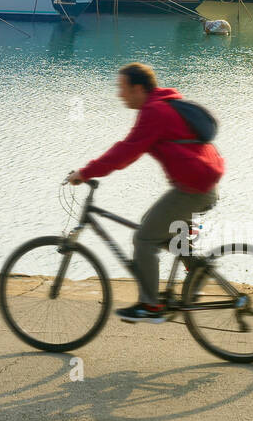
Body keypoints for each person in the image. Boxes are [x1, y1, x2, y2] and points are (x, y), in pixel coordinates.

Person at [68, 63, 224, 323]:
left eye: (123, 88)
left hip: (193, 189)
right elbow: (128, 150)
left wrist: (86, 173)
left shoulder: (154, 111)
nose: (120, 95)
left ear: (138, 88)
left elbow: (125, 152)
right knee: (159, 232)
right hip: (199, 184)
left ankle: (151, 306)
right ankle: (198, 268)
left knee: (144, 240)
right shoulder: (163, 105)